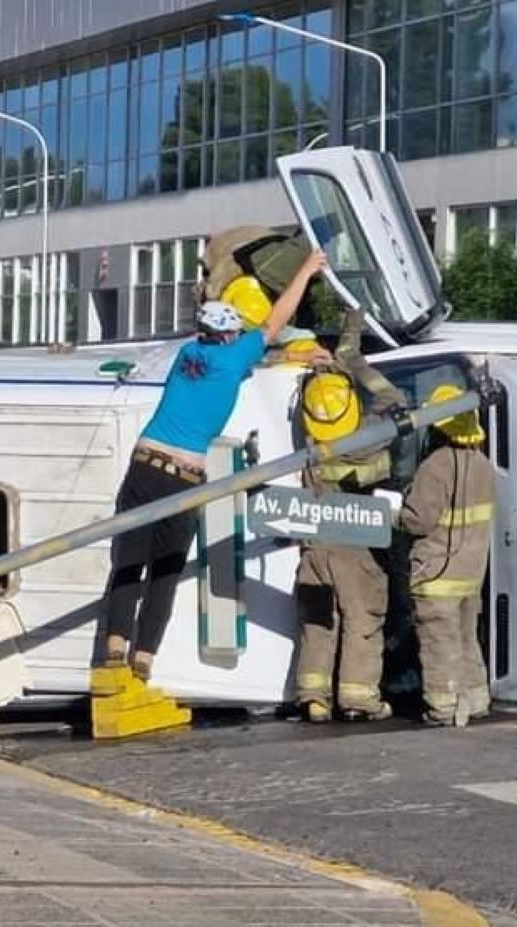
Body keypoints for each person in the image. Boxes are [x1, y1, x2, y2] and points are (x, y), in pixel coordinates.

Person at [96, 250, 328, 681]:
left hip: (144, 465)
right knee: (164, 572)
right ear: (229, 336)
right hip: (183, 478)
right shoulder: (235, 355)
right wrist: (308, 268)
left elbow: (244, 363)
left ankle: (115, 644)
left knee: (128, 562)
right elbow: (278, 318)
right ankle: (144, 657)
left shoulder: (187, 355)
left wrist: (284, 359)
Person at [289, 308, 407, 723]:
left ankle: (314, 698)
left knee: (318, 623)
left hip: (315, 548)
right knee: (362, 620)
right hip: (359, 550)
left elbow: (313, 402)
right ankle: (357, 699)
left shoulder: (309, 438)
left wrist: (312, 373)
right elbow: (394, 399)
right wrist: (350, 353)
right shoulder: (371, 436)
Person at [397, 383, 495, 726]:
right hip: (470, 576)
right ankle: (477, 699)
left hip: (436, 574)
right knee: (468, 641)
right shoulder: (484, 465)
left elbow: (418, 520)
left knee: (440, 645)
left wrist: (393, 513)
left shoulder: (435, 466)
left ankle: (443, 707)